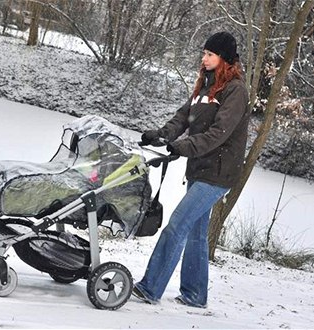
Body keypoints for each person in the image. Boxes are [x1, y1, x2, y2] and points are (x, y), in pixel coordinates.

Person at [133, 31, 250, 308]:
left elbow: (218, 134)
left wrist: (182, 147)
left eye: (210, 54)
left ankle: (150, 288)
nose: (204, 58)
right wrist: (161, 136)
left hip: (218, 173)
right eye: (204, 53)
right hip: (200, 169)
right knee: (197, 233)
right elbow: (184, 117)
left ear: (224, 59)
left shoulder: (235, 91)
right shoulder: (206, 87)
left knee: (177, 225)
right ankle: (195, 294)